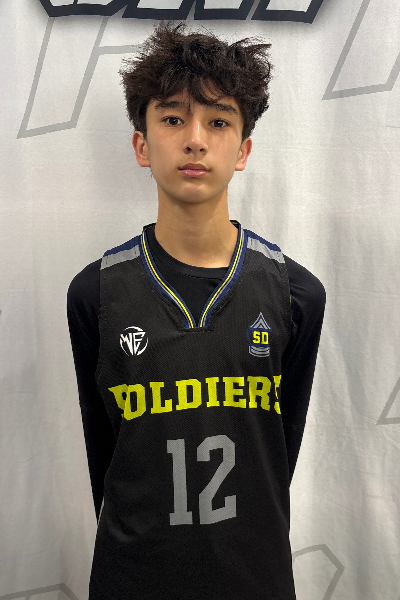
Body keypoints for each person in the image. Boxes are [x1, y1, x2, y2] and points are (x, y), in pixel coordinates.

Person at [67, 20, 325, 600]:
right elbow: (103, 455)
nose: (195, 140)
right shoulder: (95, 294)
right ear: (141, 144)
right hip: (133, 578)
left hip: (254, 576)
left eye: (219, 121)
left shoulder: (296, 294)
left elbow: (277, 451)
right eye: (173, 119)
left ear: (243, 149)